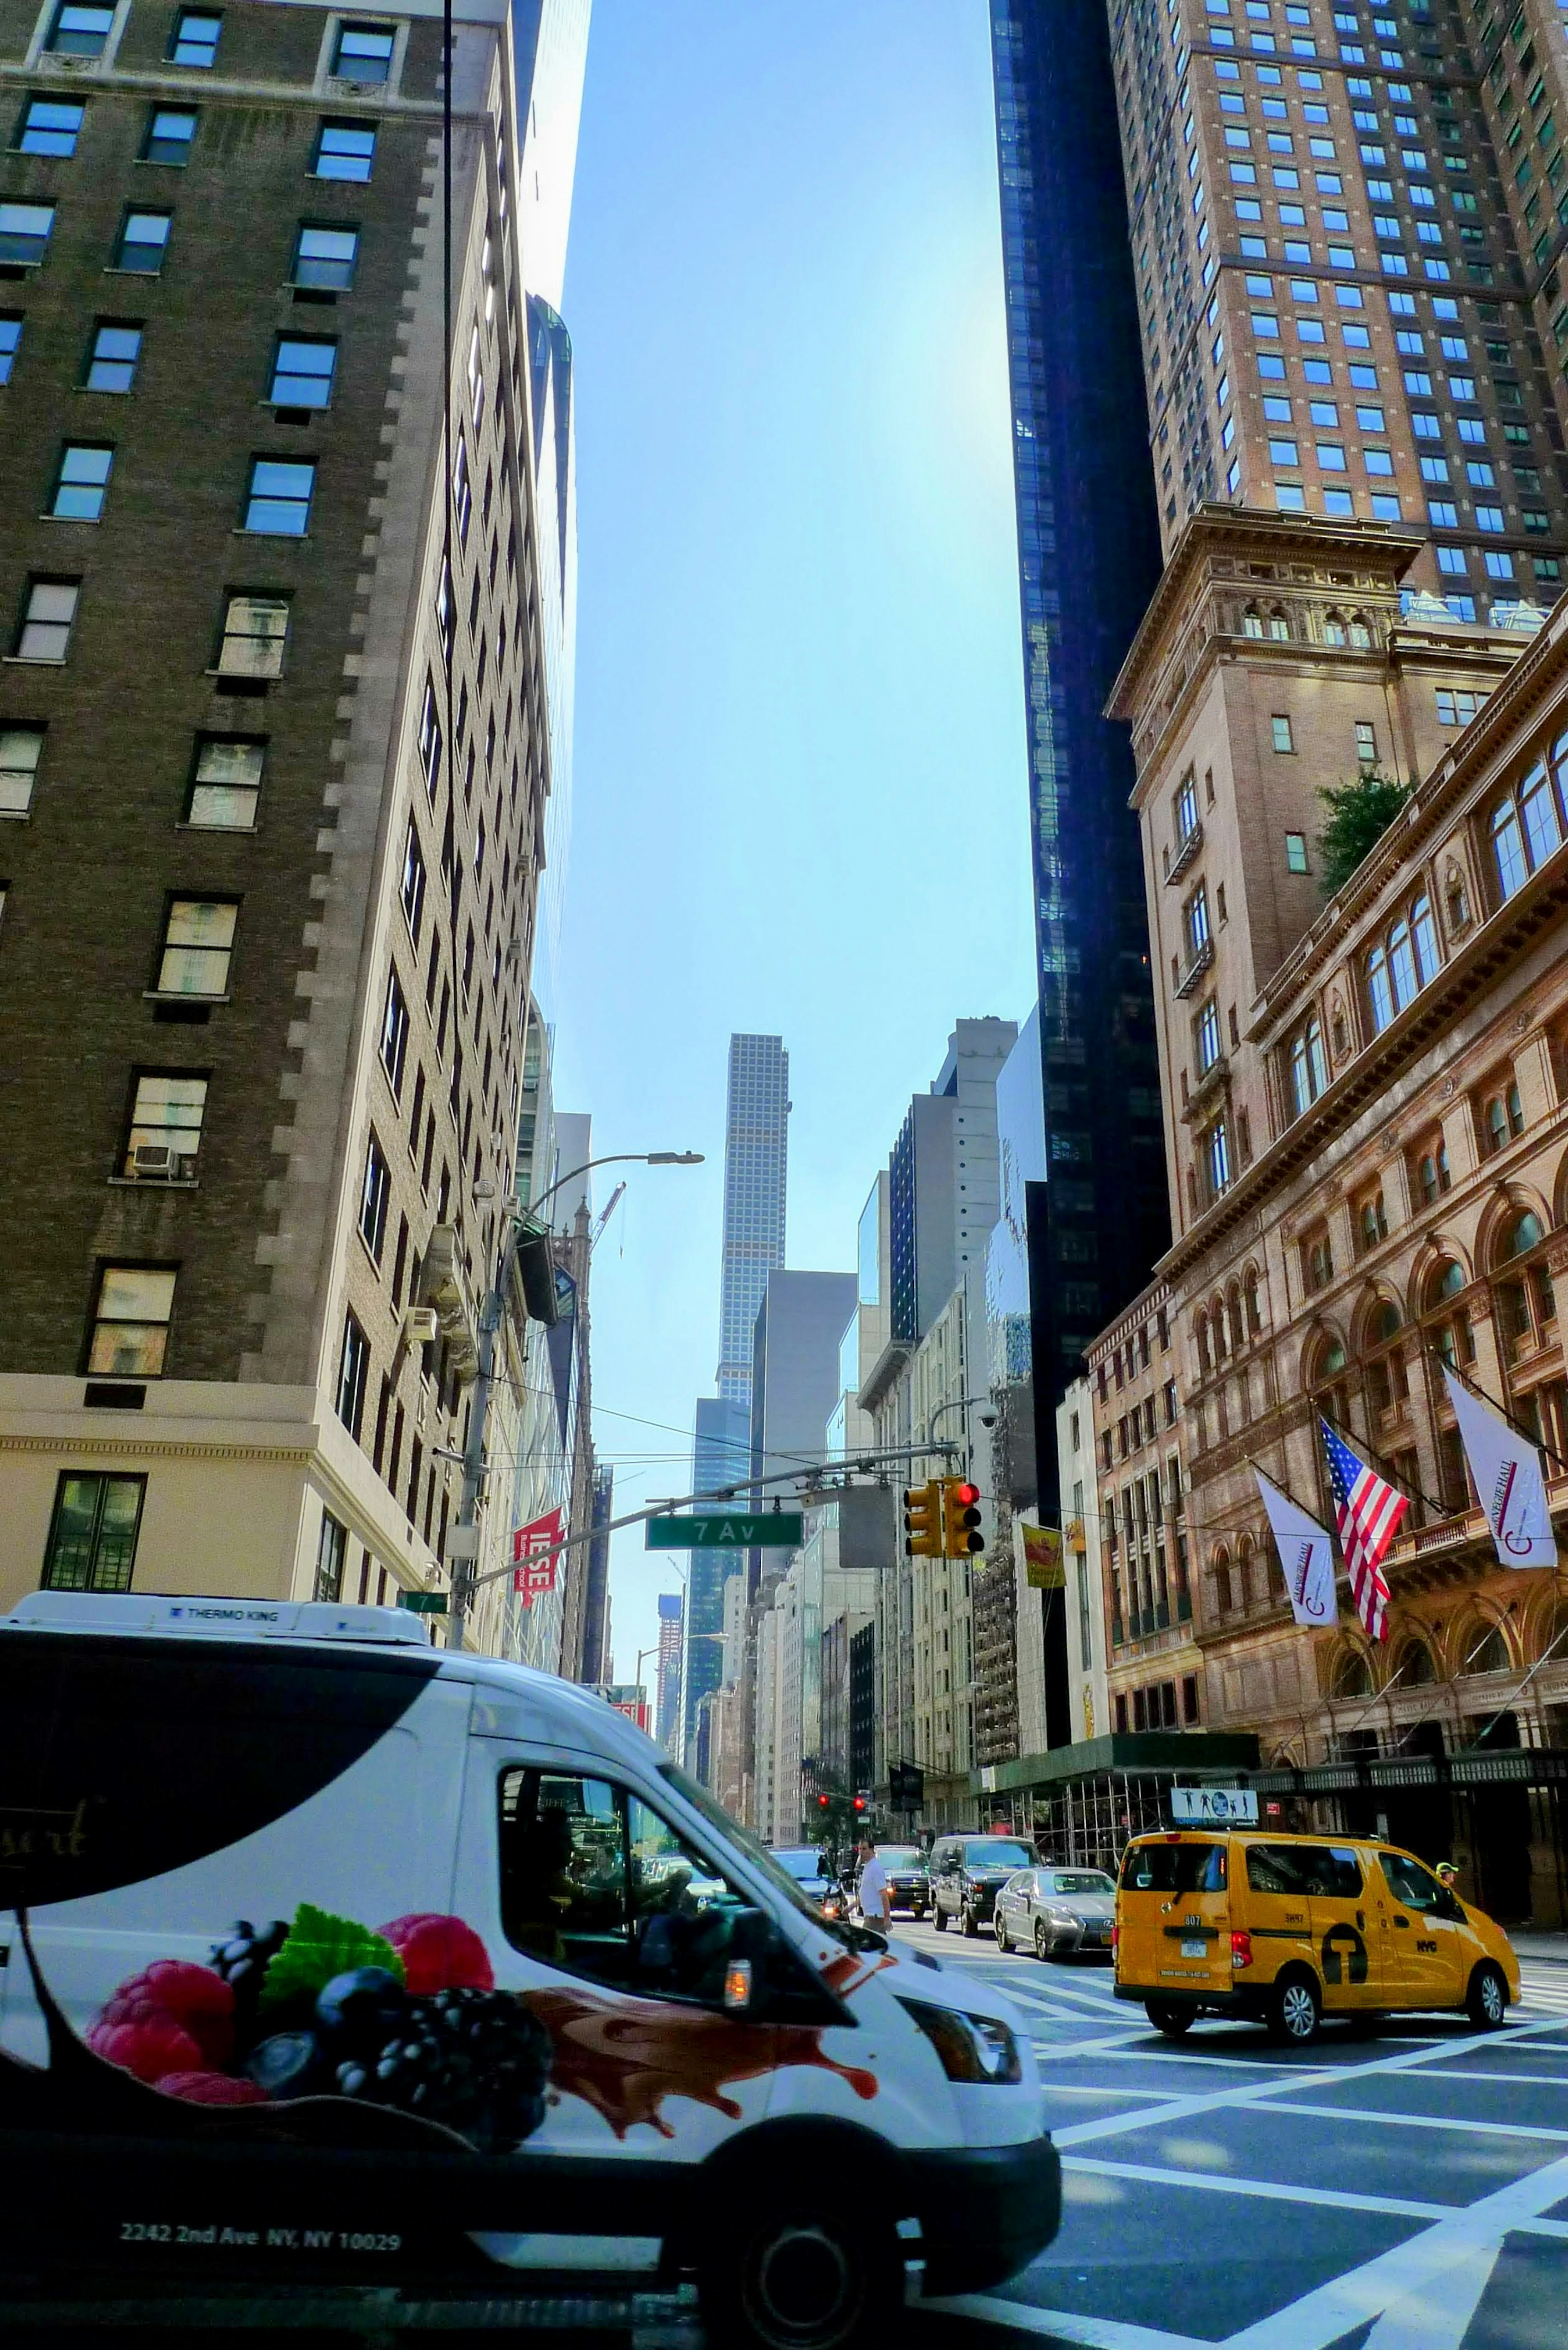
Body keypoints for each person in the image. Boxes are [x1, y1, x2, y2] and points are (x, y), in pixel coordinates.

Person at [856, 1835, 890, 1930]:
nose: (861, 1852)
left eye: (864, 1849)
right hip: (870, 1916)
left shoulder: (876, 1868)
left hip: (875, 1917)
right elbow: (867, 1894)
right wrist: (851, 1907)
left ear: (872, 1850)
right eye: (860, 1849)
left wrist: (887, 1918)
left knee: (867, 1943)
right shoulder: (868, 1867)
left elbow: (884, 1894)